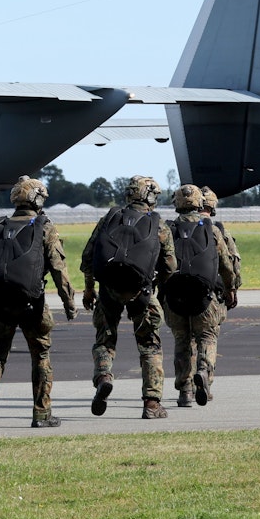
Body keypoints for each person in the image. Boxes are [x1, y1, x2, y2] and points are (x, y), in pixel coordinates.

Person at [0, 176, 77, 428]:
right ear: (38, 199)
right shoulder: (44, 226)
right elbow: (58, 268)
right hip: (32, 305)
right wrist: (69, 302)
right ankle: (42, 414)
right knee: (40, 355)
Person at [80, 175, 176, 420]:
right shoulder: (158, 224)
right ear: (151, 196)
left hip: (108, 290)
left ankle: (103, 375)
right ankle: (152, 404)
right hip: (142, 292)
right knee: (150, 346)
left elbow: (88, 257)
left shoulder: (110, 218)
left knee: (104, 340)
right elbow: (170, 266)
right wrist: (156, 285)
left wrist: (90, 289)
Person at [163, 185, 237, 407]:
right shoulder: (211, 230)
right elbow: (226, 265)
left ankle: (185, 391)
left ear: (177, 203)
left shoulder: (167, 229)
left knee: (181, 341)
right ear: (200, 203)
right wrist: (231, 288)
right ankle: (204, 372)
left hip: (174, 297)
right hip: (205, 297)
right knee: (207, 337)